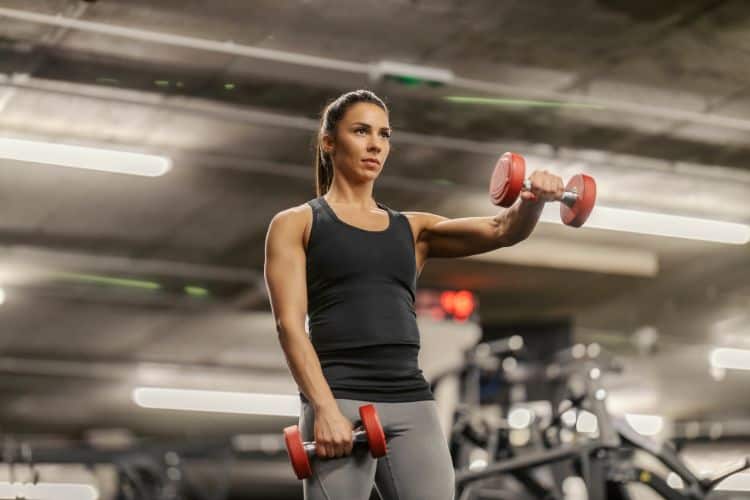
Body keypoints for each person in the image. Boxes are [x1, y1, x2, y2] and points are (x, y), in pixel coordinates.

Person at [264, 89, 563, 500]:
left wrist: (533, 200)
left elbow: (501, 230)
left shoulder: (413, 229)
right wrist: (325, 409)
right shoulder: (296, 223)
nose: (375, 145)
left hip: (410, 399)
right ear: (329, 142)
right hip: (339, 397)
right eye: (361, 131)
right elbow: (289, 327)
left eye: (384, 135)